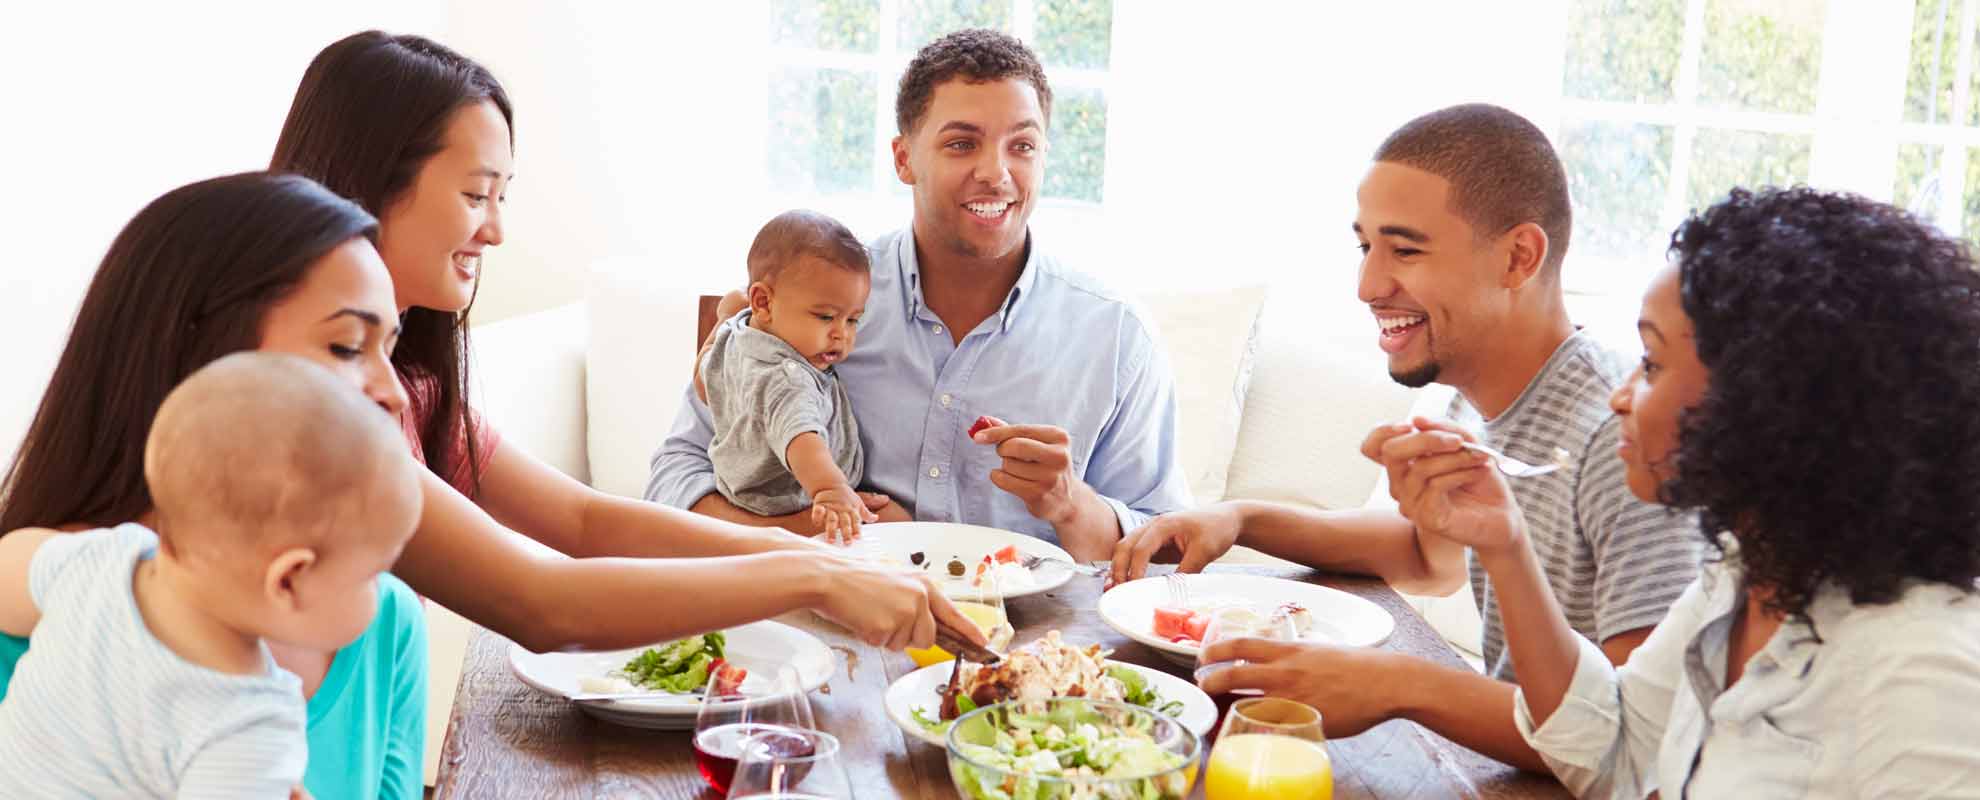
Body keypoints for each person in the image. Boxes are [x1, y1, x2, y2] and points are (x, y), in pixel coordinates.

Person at [1115, 104, 1700, 771]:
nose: (1368, 285)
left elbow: (1629, 744)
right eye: (1367, 247)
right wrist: (1239, 519)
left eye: (1406, 249)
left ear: (1518, 257)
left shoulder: (1623, 441)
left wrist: (1396, 686)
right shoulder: (1475, 399)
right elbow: (1429, 556)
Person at [1415, 187, 1980, 797]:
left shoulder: (1926, 679)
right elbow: (1615, 751)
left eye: (1652, 365)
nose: (1620, 395)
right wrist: (1506, 544)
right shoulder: (1747, 572)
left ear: (1768, 399)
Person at [650, 29, 1191, 561]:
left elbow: (1166, 551)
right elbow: (674, 482)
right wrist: (820, 535)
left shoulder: (1116, 334)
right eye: (962, 144)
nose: (996, 174)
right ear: (904, 158)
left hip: (1028, 641)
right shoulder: (808, 299)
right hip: (828, 623)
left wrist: (1070, 504)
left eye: (1022, 146)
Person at [0, 171, 432, 798]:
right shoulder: (51, 621)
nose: (394, 394)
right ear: (198, 356)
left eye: (391, 349)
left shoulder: (384, 624)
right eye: (345, 346)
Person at [0, 353, 422, 798]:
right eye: (370, 576)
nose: (381, 594)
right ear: (288, 580)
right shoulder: (251, 720)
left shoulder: (102, 558)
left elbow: (8, 581)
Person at [700, 210, 874, 540]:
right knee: (894, 518)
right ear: (763, 302)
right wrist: (831, 490)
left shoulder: (740, 337)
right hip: (788, 502)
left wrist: (724, 319)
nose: (841, 335)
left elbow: (704, 381)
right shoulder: (790, 379)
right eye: (826, 317)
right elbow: (801, 436)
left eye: (853, 320)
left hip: (737, 488)